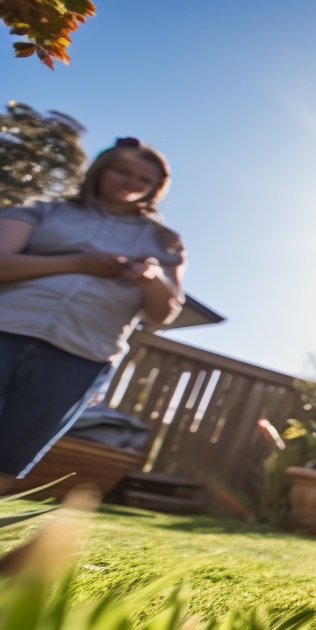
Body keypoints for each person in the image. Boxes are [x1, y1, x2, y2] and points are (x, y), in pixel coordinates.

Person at [0, 137, 185, 492]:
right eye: (122, 171)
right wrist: (79, 263)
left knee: (10, 453)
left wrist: (152, 278)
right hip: (7, 327)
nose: (131, 182)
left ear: (155, 189)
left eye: (143, 179)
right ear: (101, 170)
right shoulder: (43, 211)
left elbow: (164, 314)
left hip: (81, 353)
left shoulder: (165, 240)